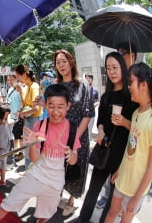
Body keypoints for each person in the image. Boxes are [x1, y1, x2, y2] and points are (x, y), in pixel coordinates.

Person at [0, 84, 81, 223]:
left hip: (55, 183)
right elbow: (34, 158)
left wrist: (71, 155)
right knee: (7, 205)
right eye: (51, 106)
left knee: (45, 215)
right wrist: (32, 145)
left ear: (68, 105)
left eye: (60, 107)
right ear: (45, 105)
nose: (55, 111)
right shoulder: (40, 125)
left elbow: (74, 161)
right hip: (35, 177)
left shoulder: (72, 129)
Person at [78, 52, 138, 223]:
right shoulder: (106, 96)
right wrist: (101, 130)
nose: (111, 72)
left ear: (123, 69)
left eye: (115, 67)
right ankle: (83, 219)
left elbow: (138, 131)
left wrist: (125, 122)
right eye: (108, 68)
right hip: (104, 151)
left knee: (113, 199)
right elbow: (101, 122)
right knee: (92, 190)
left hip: (121, 157)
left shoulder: (132, 97)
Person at [105, 62, 152, 223]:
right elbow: (131, 147)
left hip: (136, 189)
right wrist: (119, 170)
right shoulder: (136, 113)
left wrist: (136, 198)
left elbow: (151, 168)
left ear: (144, 85)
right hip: (123, 179)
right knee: (111, 214)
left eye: (131, 82)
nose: (128, 86)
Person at [49, 49, 94, 216]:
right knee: (59, 168)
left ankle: (71, 200)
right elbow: (54, 111)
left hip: (78, 138)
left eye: (64, 61)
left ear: (71, 62)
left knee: (76, 168)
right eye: (58, 62)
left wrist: (74, 138)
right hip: (60, 137)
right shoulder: (57, 87)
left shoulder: (82, 85)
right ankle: (57, 194)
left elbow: (88, 113)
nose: (61, 65)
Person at [14, 64, 43, 170]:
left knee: (31, 149)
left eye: (17, 76)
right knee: (28, 148)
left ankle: (30, 173)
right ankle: (28, 172)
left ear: (24, 75)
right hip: (29, 120)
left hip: (33, 121)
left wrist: (22, 114)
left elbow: (36, 108)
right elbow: (25, 104)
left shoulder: (34, 87)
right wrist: (21, 92)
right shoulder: (27, 87)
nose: (17, 79)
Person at [6, 74, 22, 162]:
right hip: (10, 116)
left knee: (18, 136)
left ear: (16, 79)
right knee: (14, 136)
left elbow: (22, 102)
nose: (9, 82)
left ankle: (19, 153)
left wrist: (19, 112)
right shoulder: (10, 90)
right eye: (8, 80)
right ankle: (16, 152)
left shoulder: (20, 89)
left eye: (11, 80)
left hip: (18, 117)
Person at [85, 74, 99, 140]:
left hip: (91, 111)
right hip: (83, 113)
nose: (87, 80)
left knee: (90, 128)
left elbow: (97, 101)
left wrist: (93, 106)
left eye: (89, 78)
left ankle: (89, 141)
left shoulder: (95, 90)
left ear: (92, 80)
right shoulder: (82, 90)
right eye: (86, 79)